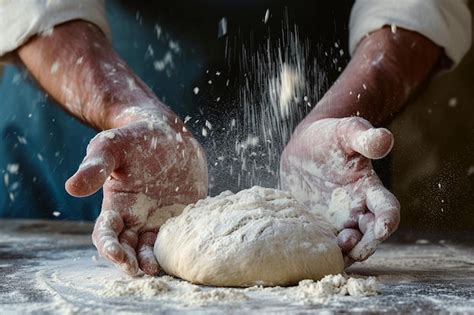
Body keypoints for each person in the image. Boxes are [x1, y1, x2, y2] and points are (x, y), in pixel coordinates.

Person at [0, 1, 471, 275]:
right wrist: (126, 109)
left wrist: (345, 113)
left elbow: (418, 5)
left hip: (330, 140)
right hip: (96, 88)